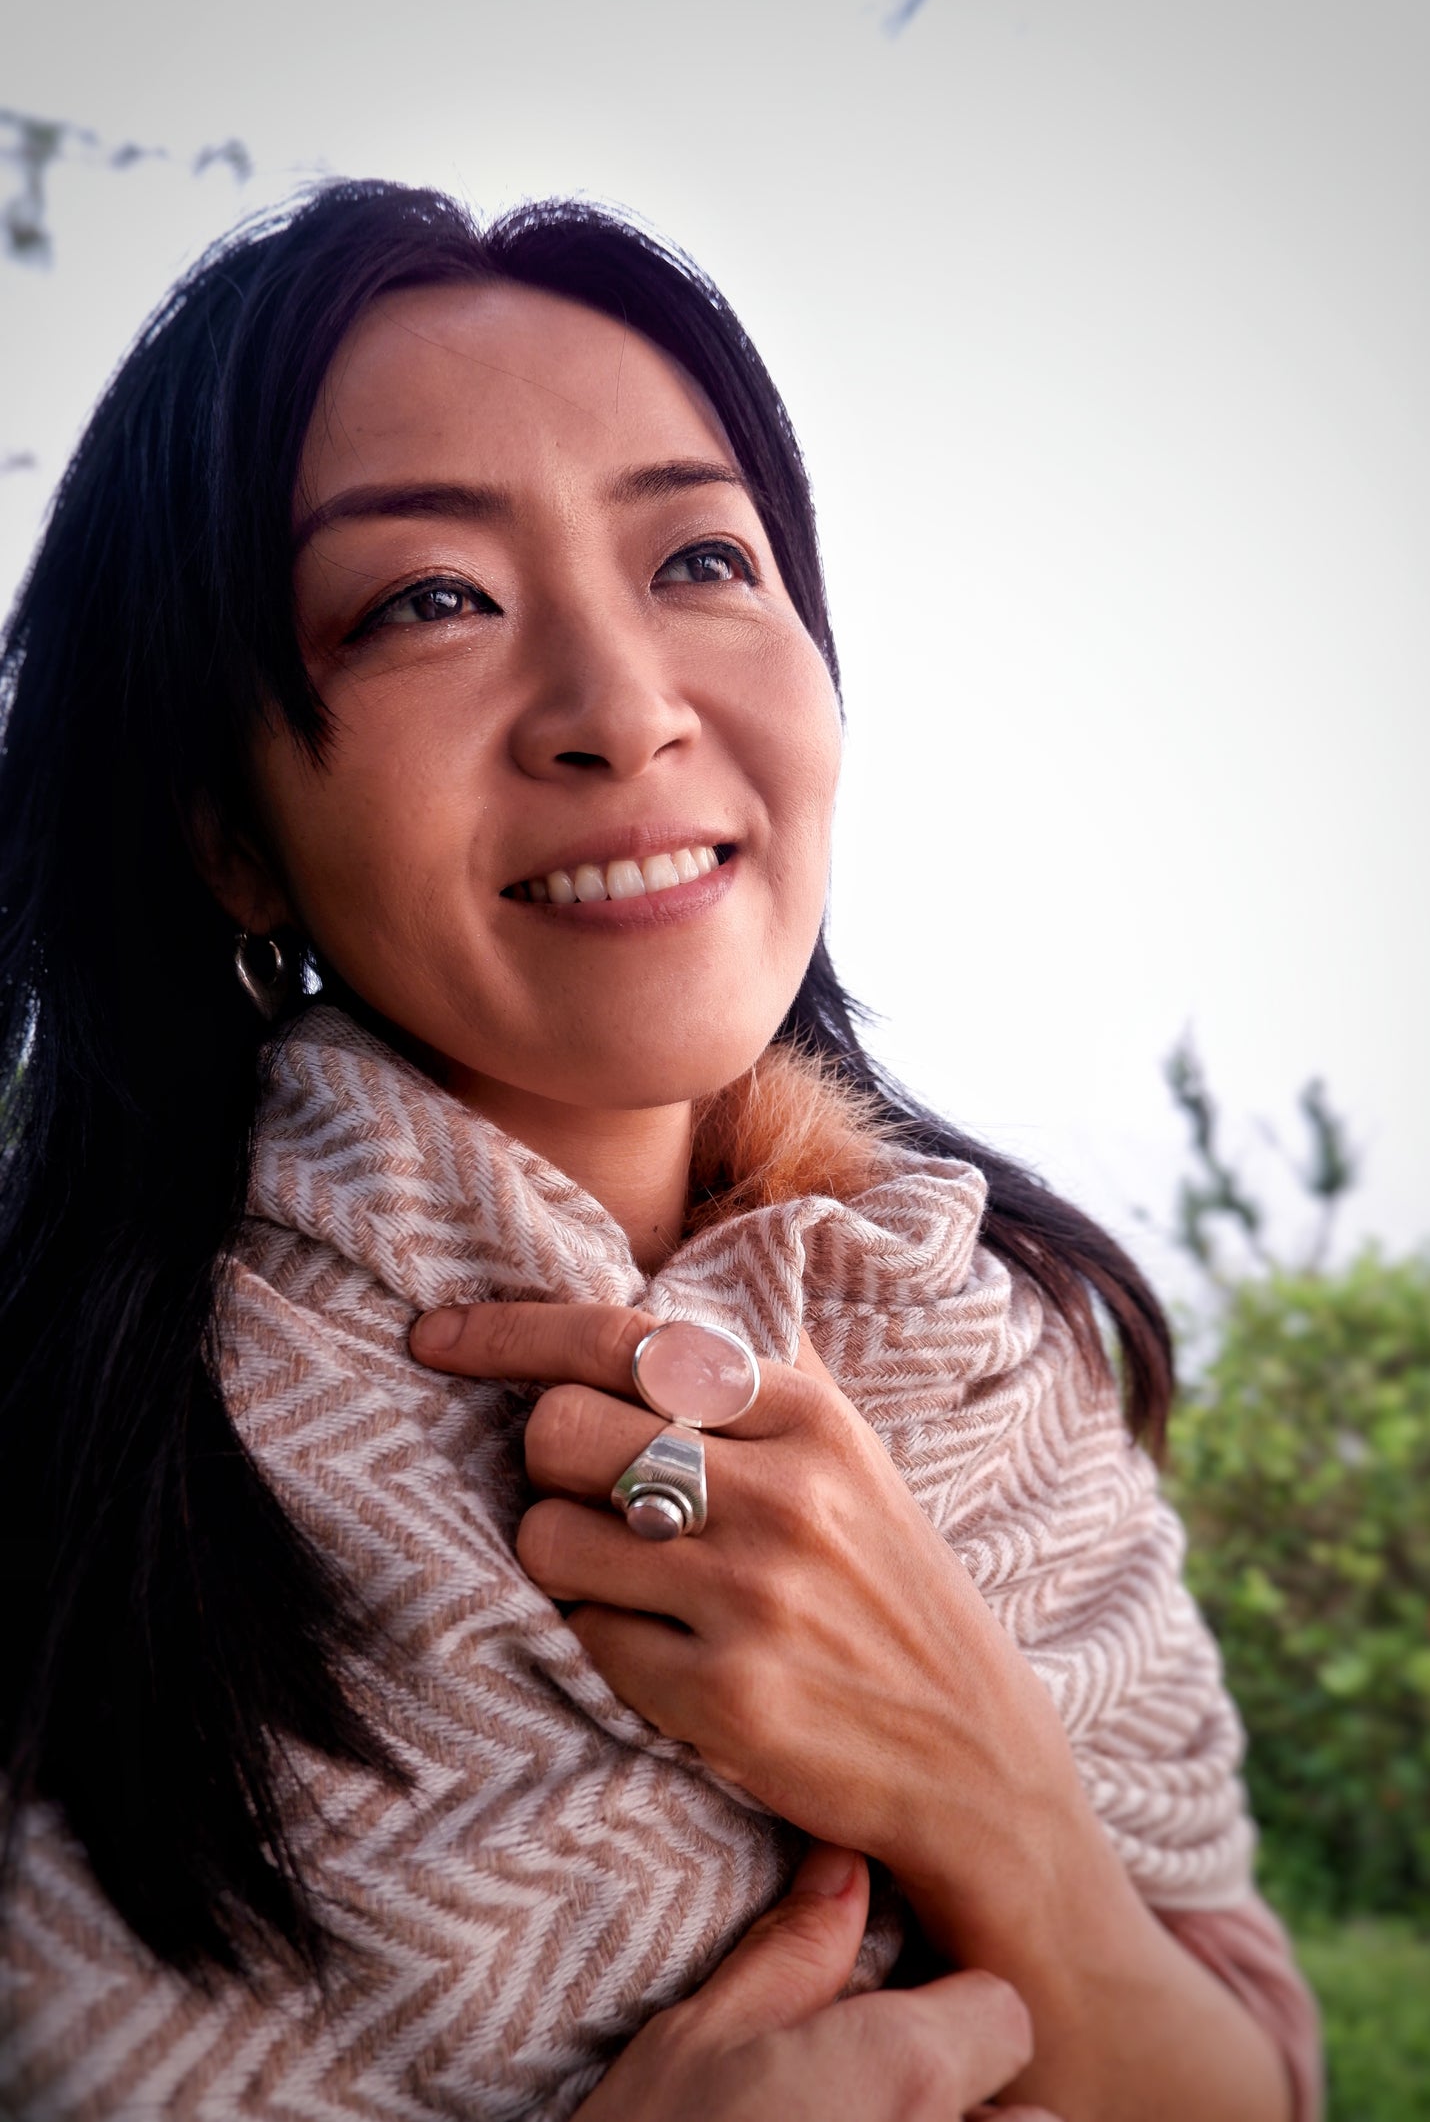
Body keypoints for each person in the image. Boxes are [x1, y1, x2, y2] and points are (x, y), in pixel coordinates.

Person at [0, 181, 1319, 2121]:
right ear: (229, 823)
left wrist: (990, 1783)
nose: (623, 710)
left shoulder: (1001, 1350)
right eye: (429, 599)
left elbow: (1258, 2081)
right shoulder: (76, 1474)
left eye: (701, 559)